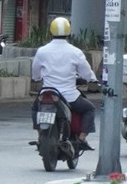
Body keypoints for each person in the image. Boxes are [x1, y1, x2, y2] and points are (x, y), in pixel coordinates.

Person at [30, 16, 96, 149]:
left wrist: (37, 78)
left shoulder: (42, 51)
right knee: (90, 108)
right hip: (69, 96)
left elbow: (35, 72)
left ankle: (39, 135)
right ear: (68, 32)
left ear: (51, 31)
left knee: (35, 108)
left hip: (47, 93)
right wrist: (92, 79)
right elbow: (86, 71)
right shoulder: (75, 52)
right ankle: (82, 138)